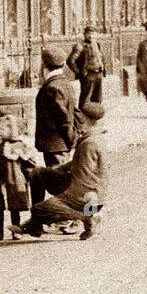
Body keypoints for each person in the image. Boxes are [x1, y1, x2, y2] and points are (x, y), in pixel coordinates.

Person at [17, 101, 107, 241]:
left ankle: (88, 218)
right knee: (38, 173)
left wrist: (63, 199)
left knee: (38, 210)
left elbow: (85, 178)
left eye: (80, 116)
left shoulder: (89, 144)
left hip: (86, 198)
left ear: (84, 118)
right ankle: (36, 224)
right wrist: (57, 170)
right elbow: (78, 164)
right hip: (91, 194)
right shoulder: (94, 138)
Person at [0, 114, 36, 240]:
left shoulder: (21, 145)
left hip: (14, 180)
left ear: (13, 129)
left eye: (4, 129)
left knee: (15, 207)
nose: (0, 131)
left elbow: (28, 163)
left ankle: (15, 229)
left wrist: (28, 176)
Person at [34, 48, 77, 169]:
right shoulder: (66, 84)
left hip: (55, 145)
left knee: (59, 182)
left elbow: (64, 118)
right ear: (63, 65)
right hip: (61, 144)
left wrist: (71, 141)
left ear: (43, 65)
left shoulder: (51, 88)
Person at [73, 26, 106, 106]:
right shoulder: (80, 46)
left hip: (98, 74)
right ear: (84, 34)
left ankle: (94, 117)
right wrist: (81, 73)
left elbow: (101, 57)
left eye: (93, 34)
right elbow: (71, 61)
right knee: (85, 100)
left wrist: (102, 68)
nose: (91, 36)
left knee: (97, 99)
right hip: (88, 75)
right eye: (89, 34)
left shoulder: (97, 45)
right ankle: (82, 117)